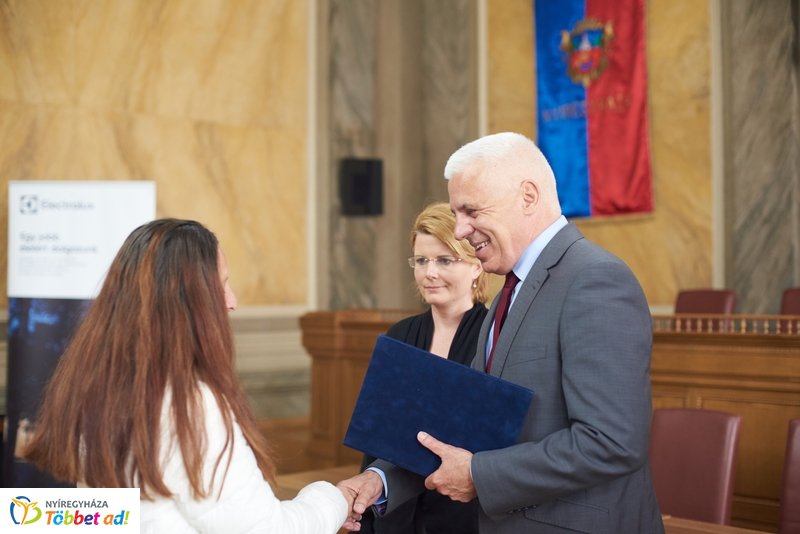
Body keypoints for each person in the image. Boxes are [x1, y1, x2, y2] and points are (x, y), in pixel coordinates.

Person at [340, 132, 665, 533]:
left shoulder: (596, 280)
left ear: (528, 197)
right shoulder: (507, 296)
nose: (461, 230)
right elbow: (467, 424)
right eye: (457, 213)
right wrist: (380, 480)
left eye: (471, 211)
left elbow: (611, 442)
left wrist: (478, 475)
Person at [24, 218, 361, 534]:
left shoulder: (94, 385)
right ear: (188, 301)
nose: (232, 301)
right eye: (222, 285)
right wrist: (335, 497)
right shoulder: (190, 405)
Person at [360, 202, 488, 534]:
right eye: (421, 261)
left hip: (465, 514)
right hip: (396, 513)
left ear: (476, 266)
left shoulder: (494, 336)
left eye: (444, 260)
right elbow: (377, 440)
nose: (429, 272)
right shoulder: (399, 336)